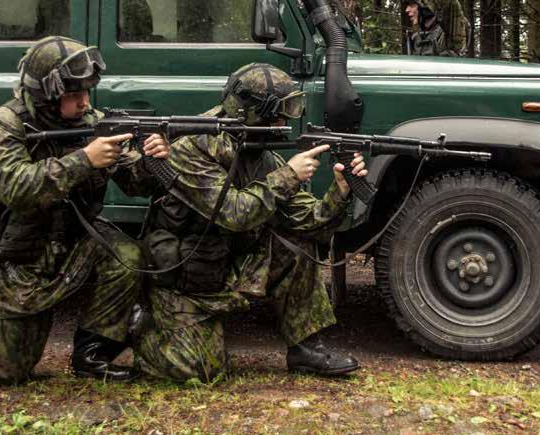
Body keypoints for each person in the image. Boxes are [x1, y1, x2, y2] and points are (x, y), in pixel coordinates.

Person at [0, 36, 170, 384]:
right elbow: (18, 188)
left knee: (125, 255)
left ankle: (92, 355)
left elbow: (134, 182)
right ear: (48, 94)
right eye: (74, 94)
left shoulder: (88, 122)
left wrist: (150, 160)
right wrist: (84, 160)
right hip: (17, 253)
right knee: (6, 367)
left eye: (87, 92)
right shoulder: (3, 126)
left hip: (71, 242)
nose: (85, 102)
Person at [131, 63, 368, 383]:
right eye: (281, 111)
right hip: (187, 276)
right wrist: (289, 176)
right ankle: (141, 327)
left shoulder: (260, 151)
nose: (286, 121)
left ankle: (305, 346)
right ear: (253, 112)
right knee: (197, 371)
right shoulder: (194, 145)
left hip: (229, 263)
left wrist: (339, 192)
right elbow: (233, 213)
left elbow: (305, 219)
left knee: (296, 243)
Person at [403, 0, 468, 57]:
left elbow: (451, 4)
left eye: (412, 5)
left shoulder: (449, 34)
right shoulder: (416, 37)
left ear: (426, 7)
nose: (407, 10)